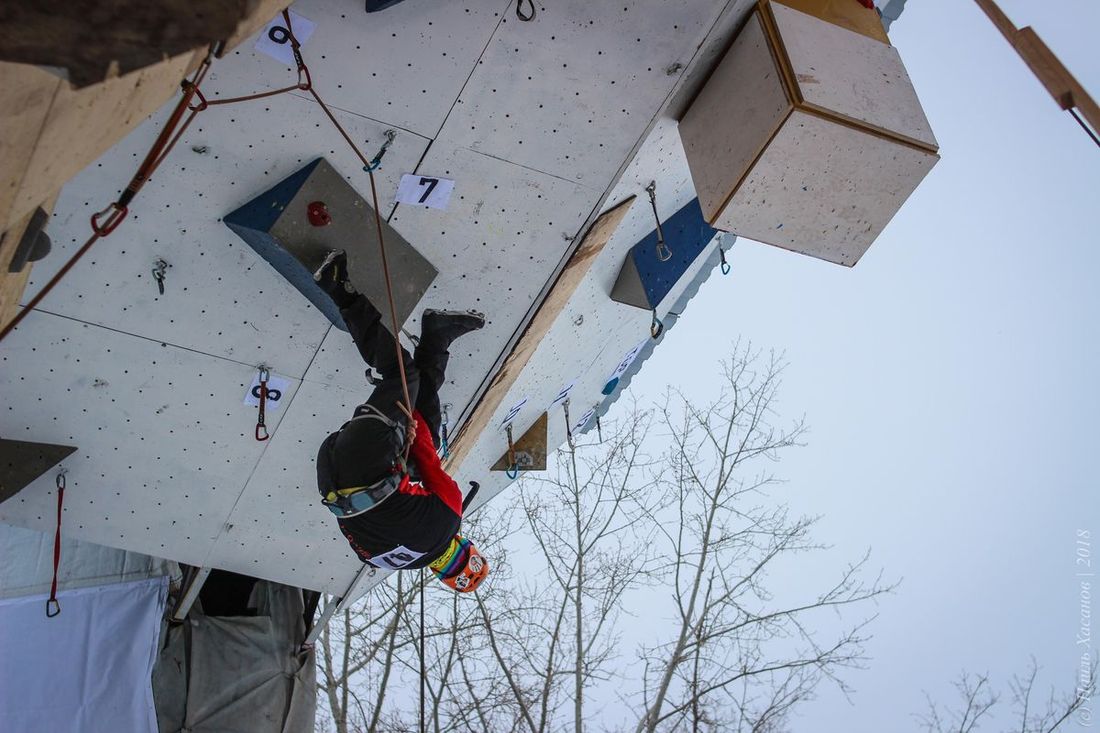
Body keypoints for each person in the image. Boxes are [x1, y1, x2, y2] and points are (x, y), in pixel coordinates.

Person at [313, 250, 489, 593]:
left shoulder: (450, 513)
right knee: (418, 414)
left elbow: (422, 445)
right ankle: (437, 336)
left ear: (467, 547)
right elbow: (362, 524)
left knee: (401, 375)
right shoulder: (384, 560)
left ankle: (338, 288)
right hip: (333, 470)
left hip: (366, 457)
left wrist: (404, 427)